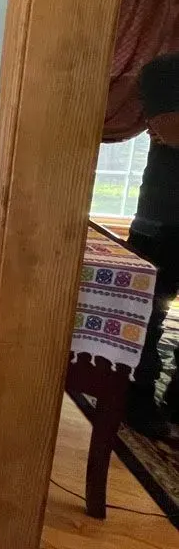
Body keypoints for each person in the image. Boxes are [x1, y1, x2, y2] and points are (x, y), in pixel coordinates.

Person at [126, 52, 179, 438]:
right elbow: (171, 128)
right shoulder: (165, 69)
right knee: (145, 318)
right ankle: (136, 400)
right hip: (162, 218)